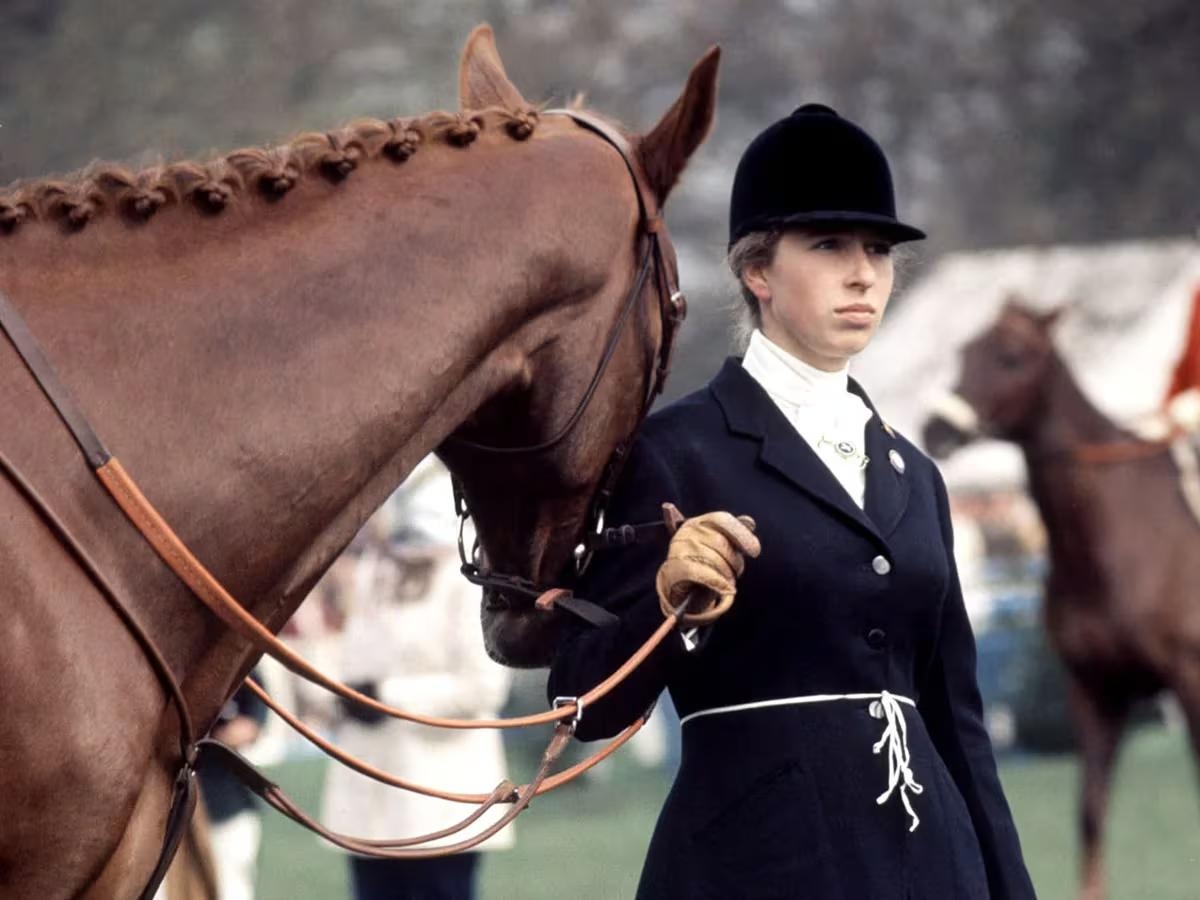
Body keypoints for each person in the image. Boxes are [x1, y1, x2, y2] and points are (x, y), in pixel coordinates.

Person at [547, 104, 1035, 899]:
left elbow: (959, 725)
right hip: (756, 864)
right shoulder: (674, 451)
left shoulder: (917, 474)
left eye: (878, 250)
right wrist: (665, 610)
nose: (864, 273)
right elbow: (583, 702)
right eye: (829, 245)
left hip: (933, 868)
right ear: (758, 271)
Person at [321, 456, 514, 900]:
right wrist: (341, 695)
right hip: (371, 798)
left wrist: (387, 697)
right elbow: (354, 658)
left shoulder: (465, 580)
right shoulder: (374, 571)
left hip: (439, 803)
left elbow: (483, 686)